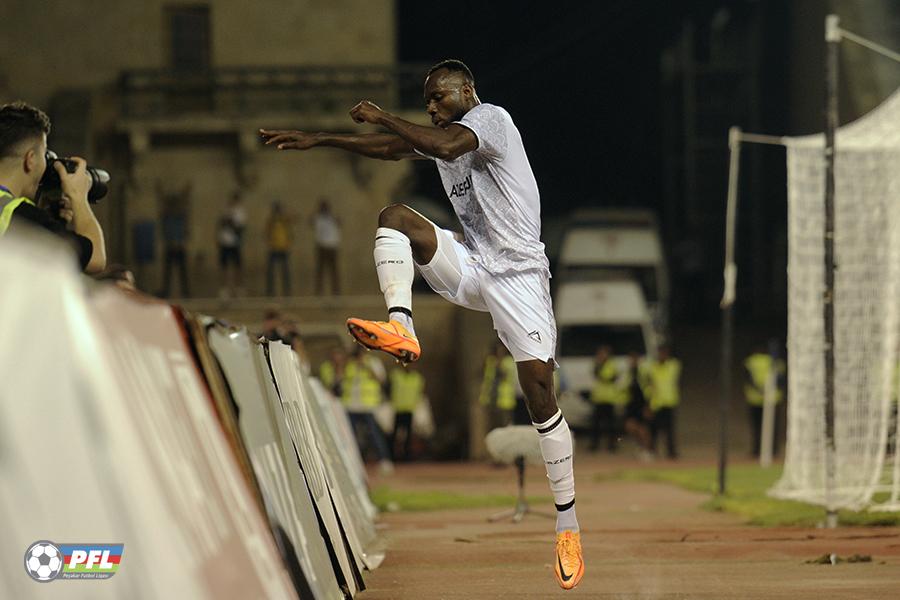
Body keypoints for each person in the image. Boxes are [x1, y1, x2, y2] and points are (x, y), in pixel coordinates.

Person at [261, 59, 583, 589]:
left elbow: (442, 146)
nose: (432, 108)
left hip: (520, 275)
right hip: (474, 263)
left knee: (539, 393)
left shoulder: (491, 121)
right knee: (394, 219)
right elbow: (392, 150)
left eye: (439, 98)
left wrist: (385, 115)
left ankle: (567, 523)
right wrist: (319, 139)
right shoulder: (439, 135)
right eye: (427, 101)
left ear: (469, 91)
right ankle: (402, 326)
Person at [0, 101, 106, 273]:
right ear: (31, 159)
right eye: (45, 154)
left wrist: (51, 219)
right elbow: (95, 259)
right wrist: (78, 198)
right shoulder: (16, 215)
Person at [343, 345, 393, 474]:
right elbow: (343, 379)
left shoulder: (373, 363)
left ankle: (384, 460)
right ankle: (351, 461)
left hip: (368, 405)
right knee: (350, 435)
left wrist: (366, 367)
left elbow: (381, 380)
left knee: (374, 434)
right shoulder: (349, 363)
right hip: (351, 404)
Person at [744, 343, 785, 458]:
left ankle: (757, 449)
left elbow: (748, 378)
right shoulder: (776, 362)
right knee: (773, 427)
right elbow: (781, 379)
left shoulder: (751, 361)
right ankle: (773, 450)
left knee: (757, 426)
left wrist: (759, 390)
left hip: (755, 399)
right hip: (773, 399)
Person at [644, 345, 682, 459]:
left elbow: (676, 368)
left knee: (669, 429)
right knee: (653, 429)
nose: (662, 355)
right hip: (656, 402)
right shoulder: (653, 367)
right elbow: (649, 383)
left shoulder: (673, 365)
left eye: (664, 353)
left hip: (669, 402)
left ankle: (671, 452)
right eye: (661, 353)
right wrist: (648, 402)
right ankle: (652, 450)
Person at [157, 180, 191, 298]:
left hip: (179, 246)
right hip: (170, 245)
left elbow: (184, 200)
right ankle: (165, 292)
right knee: (168, 272)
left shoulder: (181, 217)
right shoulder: (167, 217)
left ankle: (185, 292)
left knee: (182, 272)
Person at [589, 345, 625, 453]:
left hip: (609, 399)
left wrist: (603, 376)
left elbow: (612, 378)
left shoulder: (612, 364)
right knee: (596, 424)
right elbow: (596, 375)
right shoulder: (597, 364)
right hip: (598, 398)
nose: (602, 355)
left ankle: (612, 445)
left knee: (611, 425)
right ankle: (594, 444)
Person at [387, 363, 425, 461]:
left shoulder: (417, 378)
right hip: (398, 408)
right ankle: (391, 455)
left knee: (408, 435)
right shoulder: (396, 375)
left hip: (409, 410)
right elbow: (389, 388)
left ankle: (407, 456)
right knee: (394, 434)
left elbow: (419, 393)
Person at [622, 352, 653, 460]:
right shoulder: (628, 373)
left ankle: (648, 450)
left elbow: (649, 388)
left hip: (641, 403)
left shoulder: (643, 372)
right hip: (631, 403)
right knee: (630, 426)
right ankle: (641, 446)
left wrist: (648, 405)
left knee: (643, 429)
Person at [217, 192, 246, 298]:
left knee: (237, 266)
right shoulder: (225, 211)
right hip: (224, 243)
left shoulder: (240, 213)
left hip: (235, 243)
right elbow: (221, 224)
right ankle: (225, 290)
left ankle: (239, 289)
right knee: (224, 267)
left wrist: (230, 220)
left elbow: (239, 227)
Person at [311, 198, 341, 295]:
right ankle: (319, 291)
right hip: (322, 247)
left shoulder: (332, 218)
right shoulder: (318, 218)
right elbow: (311, 221)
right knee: (321, 271)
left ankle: (335, 291)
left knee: (333, 271)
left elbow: (339, 223)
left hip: (331, 247)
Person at [265, 201, 292, 296]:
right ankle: (270, 293)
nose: (277, 212)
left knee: (285, 272)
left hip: (283, 248)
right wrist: (270, 243)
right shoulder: (270, 221)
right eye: (276, 210)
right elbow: (266, 233)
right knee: (271, 272)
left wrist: (288, 243)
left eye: (278, 209)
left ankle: (287, 293)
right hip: (273, 249)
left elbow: (292, 220)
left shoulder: (284, 220)